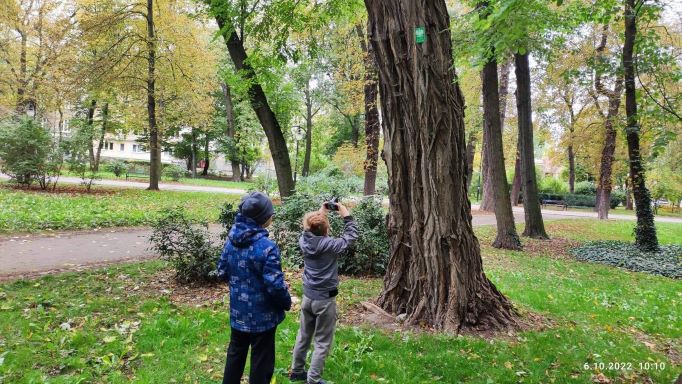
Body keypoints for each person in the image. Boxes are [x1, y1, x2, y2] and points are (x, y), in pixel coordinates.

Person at [217, 191, 292, 384]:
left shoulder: (231, 240)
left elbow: (222, 270)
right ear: (262, 219)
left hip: (238, 313)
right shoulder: (267, 247)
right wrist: (286, 301)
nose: (272, 216)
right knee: (261, 360)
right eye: (270, 213)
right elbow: (275, 286)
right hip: (263, 318)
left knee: (235, 353)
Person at [289, 202, 358, 384]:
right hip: (324, 300)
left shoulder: (304, 240)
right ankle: (313, 379)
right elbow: (351, 236)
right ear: (326, 229)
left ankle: (296, 371)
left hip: (307, 297)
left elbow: (311, 228)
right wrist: (346, 215)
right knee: (322, 341)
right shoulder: (330, 245)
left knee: (304, 334)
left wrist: (322, 213)